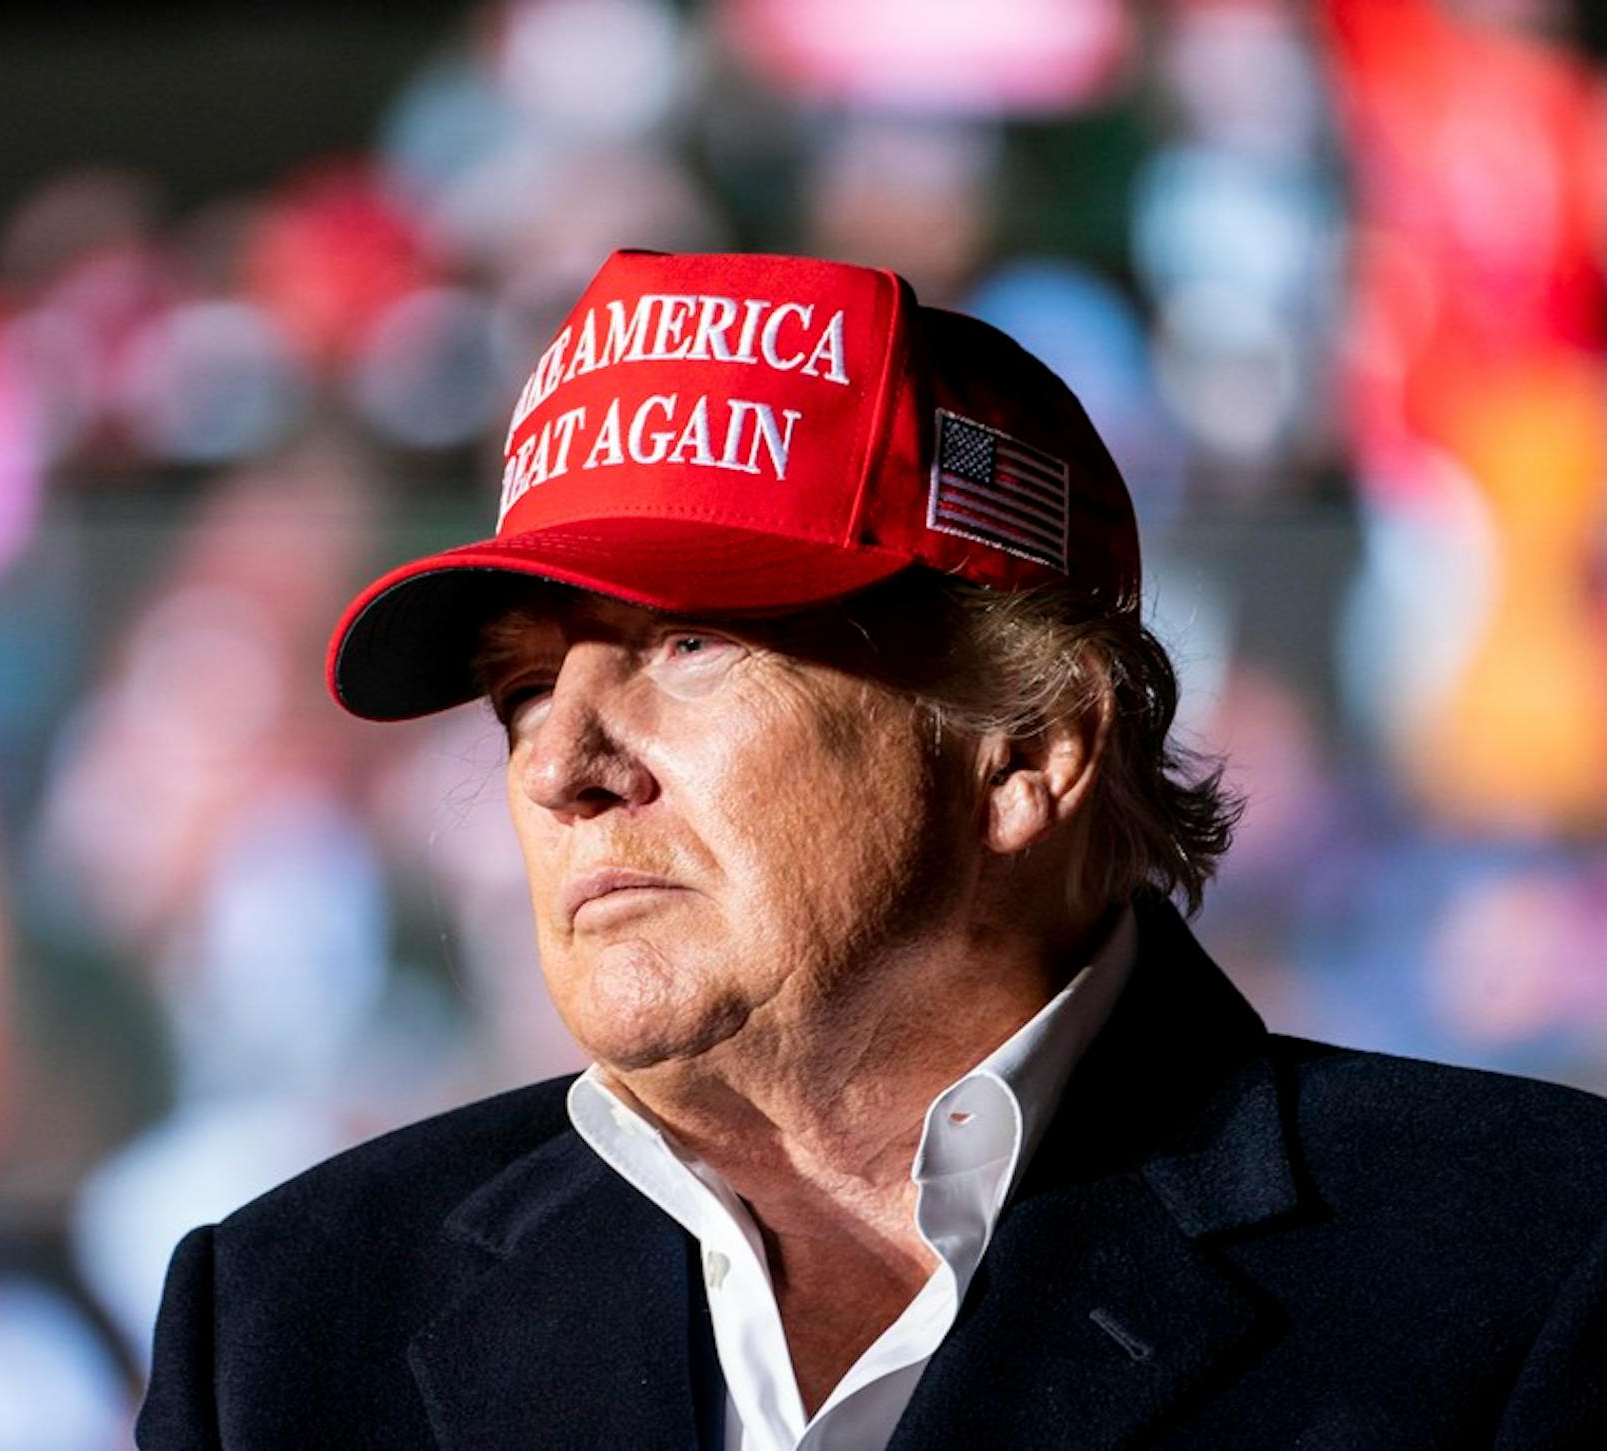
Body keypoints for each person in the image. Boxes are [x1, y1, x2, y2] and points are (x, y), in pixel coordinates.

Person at [136, 251, 1607, 1450]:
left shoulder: (1533, 1263)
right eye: (523, 686)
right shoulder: (284, 1324)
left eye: (691, 647)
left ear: (1027, 749)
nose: (559, 766)